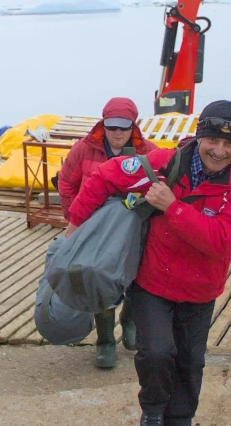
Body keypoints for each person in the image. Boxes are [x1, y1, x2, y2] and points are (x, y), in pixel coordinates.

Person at [65, 100, 231, 426]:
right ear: (199, 136)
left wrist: (172, 206)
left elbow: (219, 241)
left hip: (201, 290)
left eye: (230, 144)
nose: (220, 150)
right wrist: (75, 225)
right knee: (155, 352)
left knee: (191, 359)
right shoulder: (162, 164)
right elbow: (105, 175)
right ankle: (153, 410)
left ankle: (181, 420)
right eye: (213, 140)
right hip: (153, 281)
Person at [57, 97, 157, 369]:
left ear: (133, 127)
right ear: (103, 125)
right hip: (95, 228)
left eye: (123, 127)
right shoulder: (83, 149)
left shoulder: (148, 152)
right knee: (97, 277)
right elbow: (66, 182)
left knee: (137, 277)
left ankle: (130, 322)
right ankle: (105, 341)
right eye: (111, 126)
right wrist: (73, 217)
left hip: (134, 227)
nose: (117, 132)